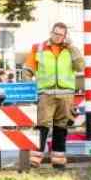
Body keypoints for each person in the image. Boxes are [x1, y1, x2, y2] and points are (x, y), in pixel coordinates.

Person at [24, 22, 83, 168]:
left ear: (65, 36)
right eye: (55, 34)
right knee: (42, 126)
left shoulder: (71, 50)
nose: (57, 37)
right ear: (51, 32)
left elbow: (80, 66)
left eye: (61, 35)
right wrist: (30, 88)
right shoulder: (38, 48)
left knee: (61, 127)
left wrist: (72, 47)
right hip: (45, 94)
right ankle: (34, 160)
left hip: (66, 95)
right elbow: (28, 70)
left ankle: (58, 161)